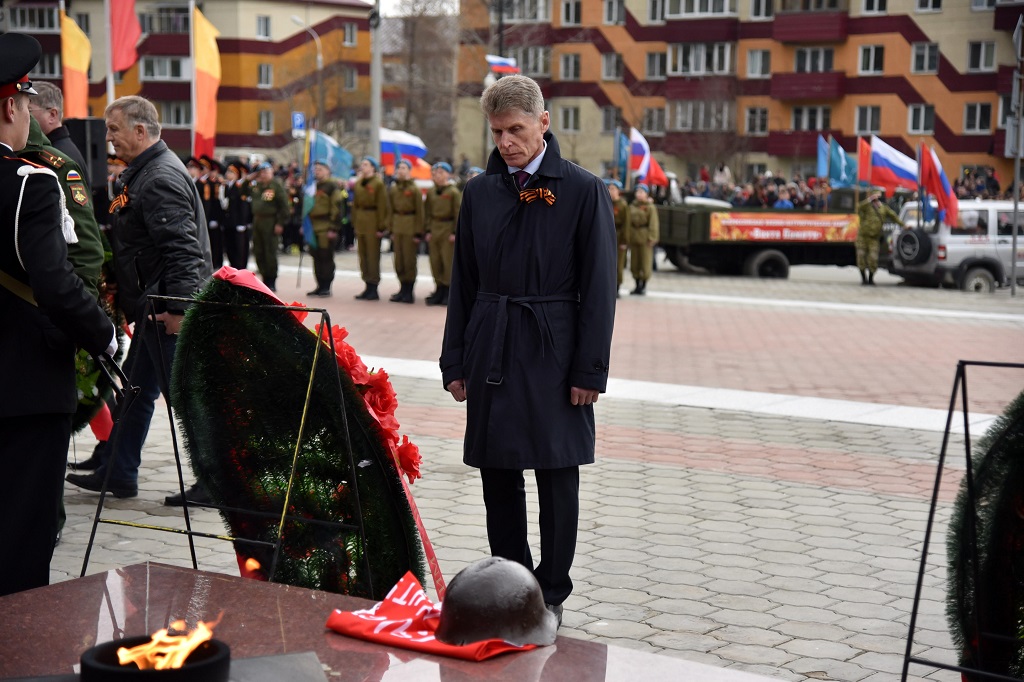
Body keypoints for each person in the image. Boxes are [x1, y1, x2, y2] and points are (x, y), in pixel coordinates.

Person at [439, 74, 616, 627]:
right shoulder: (479, 192)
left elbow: (600, 287)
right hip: (492, 342)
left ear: (544, 122)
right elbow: (462, 283)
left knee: (557, 470)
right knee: (499, 469)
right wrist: (456, 360)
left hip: (555, 346)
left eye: (516, 129)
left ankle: (553, 588)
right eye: (497, 132)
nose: (507, 142)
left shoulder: (584, 190)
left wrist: (590, 368)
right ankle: (510, 581)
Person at [0, 33, 117, 595]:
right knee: (22, 536)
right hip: (22, 381)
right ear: (9, 107)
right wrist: (105, 335)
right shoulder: (30, 182)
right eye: (23, 101)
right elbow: (54, 280)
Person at [65, 95, 212, 505]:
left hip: (166, 309)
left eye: (114, 129)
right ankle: (120, 471)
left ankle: (216, 482)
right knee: (135, 391)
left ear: (141, 131)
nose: (108, 138)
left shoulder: (159, 177)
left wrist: (179, 309)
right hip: (153, 307)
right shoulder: (147, 172)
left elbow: (184, 252)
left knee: (183, 399)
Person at [28, 81, 90, 187]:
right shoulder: (55, 149)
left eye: (29, 110)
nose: (24, 116)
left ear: (52, 115)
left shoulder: (62, 156)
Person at [246, 162, 289, 291]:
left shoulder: (276, 186)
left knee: (270, 251)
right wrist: (249, 178)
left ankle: (271, 280)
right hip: (257, 221)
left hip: (270, 222)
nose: (263, 175)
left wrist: (280, 223)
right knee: (258, 251)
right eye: (261, 172)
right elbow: (241, 190)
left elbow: (284, 207)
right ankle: (264, 277)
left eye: (266, 172)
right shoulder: (256, 186)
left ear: (271, 173)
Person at [351, 156, 390, 300]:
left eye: (366, 164)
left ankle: (373, 286)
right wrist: (354, 222)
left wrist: (381, 226)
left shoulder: (378, 184)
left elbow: (382, 206)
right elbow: (355, 205)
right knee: (363, 256)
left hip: (373, 221)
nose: (363, 167)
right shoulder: (359, 183)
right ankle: (367, 284)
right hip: (361, 221)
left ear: (373, 168)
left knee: (373, 256)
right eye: (362, 164)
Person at [424, 161, 462, 306]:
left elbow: (458, 213)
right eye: (435, 173)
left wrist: (454, 231)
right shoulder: (432, 192)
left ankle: (448, 290)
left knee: (448, 261)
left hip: (447, 228)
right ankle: (438, 288)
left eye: (441, 172)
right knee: (435, 260)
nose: (437, 175)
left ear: (448, 174)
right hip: (434, 227)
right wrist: (427, 229)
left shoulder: (453, 192)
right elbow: (427, 212)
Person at [387, 158, 425, 303]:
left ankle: (409, 291)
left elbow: (419, 212)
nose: (400, 171)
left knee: (409, 260)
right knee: (399, 260)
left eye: (404, 168)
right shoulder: (394, 188)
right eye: (399, 168)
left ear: (409, 171)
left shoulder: (414, 189)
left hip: (410, 226)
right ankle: (402, 288)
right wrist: (390, 229)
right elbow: (390, 209)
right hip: (397, 226)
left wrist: (418, 232)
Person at [306, 160, 343, 297]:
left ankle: (326, 285)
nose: (317, 171)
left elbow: (337, 207)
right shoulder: (312, 185)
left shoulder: (331, 186)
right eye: (315, 169)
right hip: (313, 225)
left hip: (326, 225)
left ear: (328, 171)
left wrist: (334, 227)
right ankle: (319, 284)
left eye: (320, 169)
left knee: (325, 256)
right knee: (315, 256)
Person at [856, 191, 902, 286]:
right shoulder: (867, 206)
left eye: (879, 197)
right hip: (863, 237)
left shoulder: (883, 208)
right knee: (861, 257)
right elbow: (859, 207)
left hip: (874, 238)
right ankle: (863, 279)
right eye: (875, 197)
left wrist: (904, 225)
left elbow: (894, 217)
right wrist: (869, 200)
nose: (877, 199)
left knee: (873, 258)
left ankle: (870, 279)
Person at [220, 161, 252, 270]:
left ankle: (240, 271)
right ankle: (233, 269)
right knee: (230, 249)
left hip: (238, 223)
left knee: (239, 251)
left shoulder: (239, 187)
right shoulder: (225, 186)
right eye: (228, 172)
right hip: (228, 223)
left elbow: (243, 206)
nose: (228, 174)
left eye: (231, 172)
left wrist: (242, 223)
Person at [628, 183, 659, 295]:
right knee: (634, 263)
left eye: (642, 192)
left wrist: (652, 237)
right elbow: (628, 222)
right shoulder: (632, 206)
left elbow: (653, 223)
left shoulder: (650, 207)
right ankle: (637, 284)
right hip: (634, 236)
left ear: (646, 194)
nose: (639, 194)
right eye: (638, 192)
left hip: (645, 237)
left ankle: (643, 285)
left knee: (645, 262)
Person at [605, 179, 630, 297]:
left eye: (613, 189)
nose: (611, 191)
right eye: (609, 188)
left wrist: (624, 241)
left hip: (619, 237)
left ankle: (617, 287)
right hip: (607, 236)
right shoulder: (606, 202)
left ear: (618, 191)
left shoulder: (622, 205)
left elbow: (626, 224)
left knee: (618, 265)